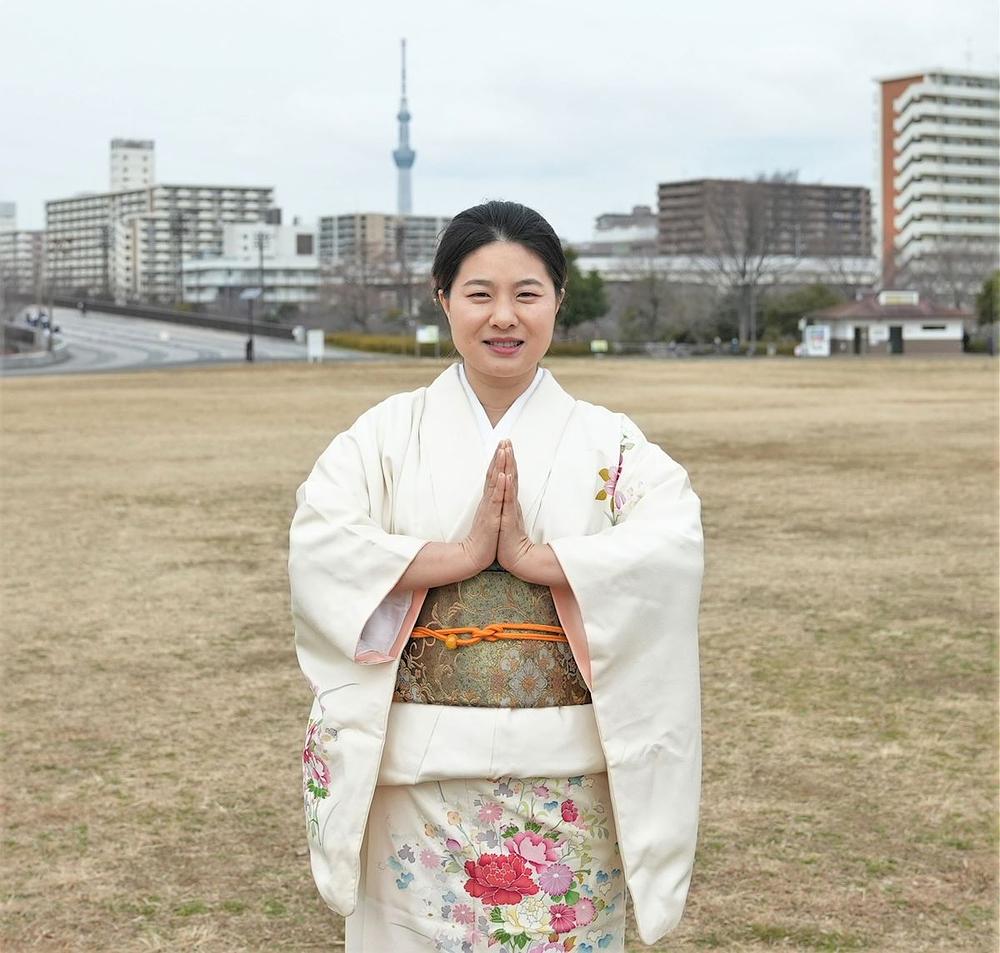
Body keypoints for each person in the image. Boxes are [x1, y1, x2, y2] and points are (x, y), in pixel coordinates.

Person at [288, 200, 704, 952]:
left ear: (559, 300)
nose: (503, 316)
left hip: (569, 775)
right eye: (479, 293)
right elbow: (322, 541)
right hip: (417, 779)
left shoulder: (610, 443)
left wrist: (540, 562)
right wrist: (460, 555)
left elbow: (671, 540)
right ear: (443, 298)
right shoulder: (382, 437)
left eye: (527, 293)